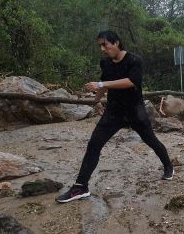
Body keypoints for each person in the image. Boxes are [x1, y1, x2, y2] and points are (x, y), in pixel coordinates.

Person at [55, 31, 174, 203]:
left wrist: (101, 84)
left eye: (105, 45)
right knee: (94, 144)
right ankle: (80, 187)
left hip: (135, 111)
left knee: (151, 140)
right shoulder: (105, 63)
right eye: (100, 46)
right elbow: (104, 81)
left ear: (117, 43)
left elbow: (131, 81)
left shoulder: (135, 60)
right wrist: (96, 100)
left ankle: (168, 166)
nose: (102, 49)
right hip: (113, 112)